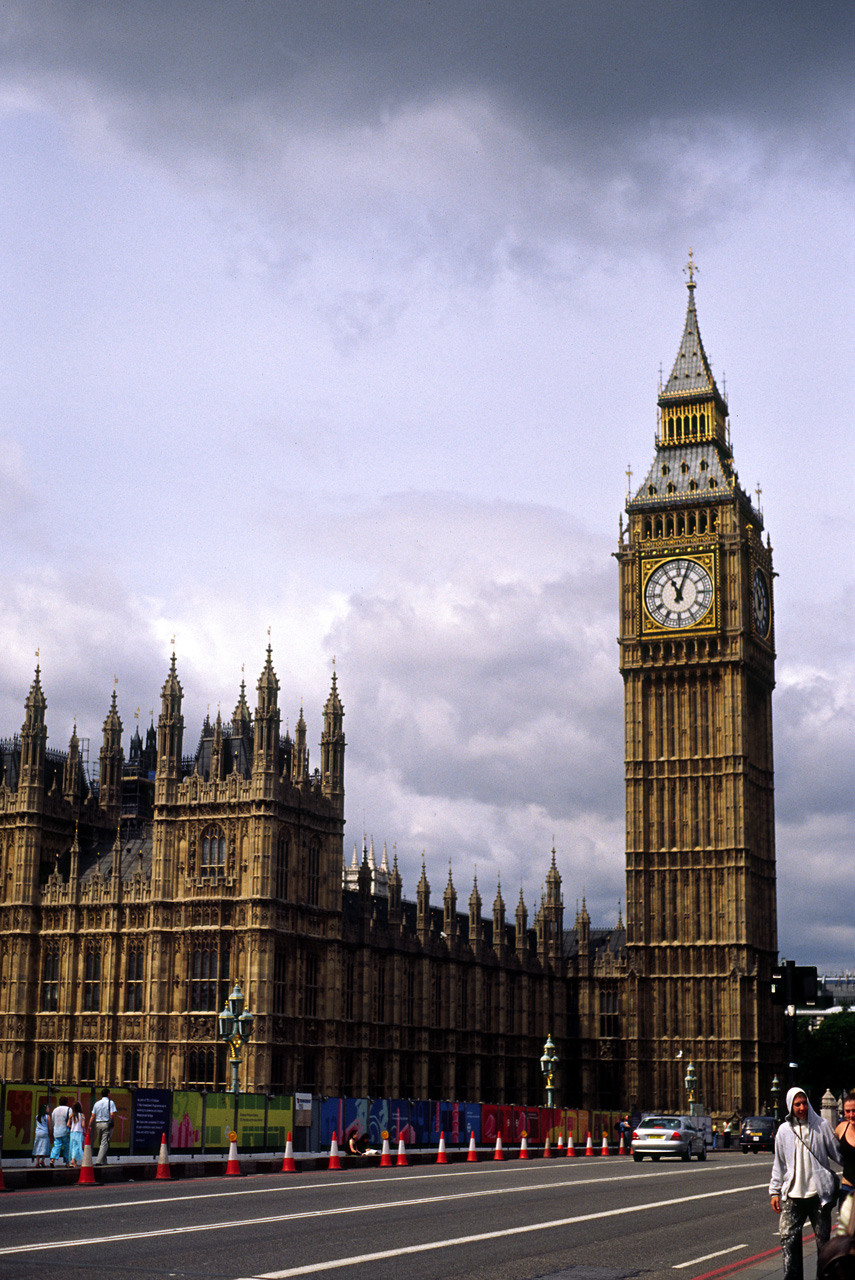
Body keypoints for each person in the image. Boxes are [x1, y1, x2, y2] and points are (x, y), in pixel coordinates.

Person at [770, 1086, 841, 1280]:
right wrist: (774, 1191)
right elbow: (779, 1163)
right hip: (794, 1195)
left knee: (823, 1245)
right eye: (797, 1104)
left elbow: (838, 1153)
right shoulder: (784, 1131)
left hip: (819, 1196)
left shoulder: (822, 1125)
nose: (801, 1108)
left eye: (804, 1103)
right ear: (790, 1106)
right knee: (788, 1240)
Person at [835, 1092, 855, 1210]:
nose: (851, 1115)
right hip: (847, 1188)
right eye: (847, 1111)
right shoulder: (842, 1128)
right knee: (846, 1228)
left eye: (854, 1110)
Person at [91, 1088, 117, 1165]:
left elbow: (93, 1115)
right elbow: (112, 1114)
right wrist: (113, 1123)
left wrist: (89, 1125)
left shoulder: (97, 1103)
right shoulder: (110, 1102)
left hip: (98, 1124)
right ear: (108, 1094)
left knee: (101, 1143)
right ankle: (98, 1161)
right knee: (104, 1143)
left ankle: (104, 1161)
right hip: (106, 1124)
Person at [49, 1097, 72, 1167]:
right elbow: (71, 1119)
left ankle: (52, 1159)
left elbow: (52, 1121)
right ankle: (67, 1163)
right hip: (65, 1131)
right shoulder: (68, 1109)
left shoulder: (55, 1110)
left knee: (57, 1146)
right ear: (66, 1102)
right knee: (67, 1147)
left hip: (56, 1131)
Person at [68, 1101, 87, 1168]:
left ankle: (74, 1163)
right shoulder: (82, 1115)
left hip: (72, 1133)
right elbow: (83, 1125)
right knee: (77, 1147)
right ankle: (73, 1160)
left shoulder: (71, 1115)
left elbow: (68, 1124)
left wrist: (73, 1126)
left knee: (73, 1147)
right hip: (79, 1132)